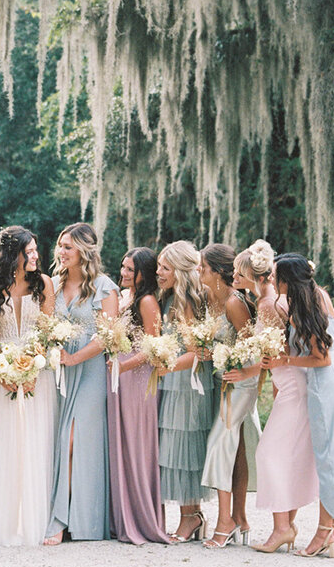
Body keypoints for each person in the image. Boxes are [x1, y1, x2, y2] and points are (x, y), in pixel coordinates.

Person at [268, 254, 334, 558]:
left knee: (327, 459)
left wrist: (284, 360)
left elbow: (320, 357)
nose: (271, 279)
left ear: (287, 279)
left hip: (326, 385)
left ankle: (324, 531)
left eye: (275, 275)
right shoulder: (318, 294)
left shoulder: (302, 307)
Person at [226, 240, 319, 553]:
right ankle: (287, 525)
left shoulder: (267, 305)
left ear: (254, 275)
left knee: (269, 453)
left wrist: (247, 371)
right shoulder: (272, 299)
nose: (234, 277)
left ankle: (281, 528)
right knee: (286, 455)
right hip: (292, 382)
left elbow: (276, 354)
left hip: (292, 384)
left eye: (238, 273)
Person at [0, 225, 56, 546]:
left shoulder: (45, 284)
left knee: (34, 443)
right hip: (1, 373)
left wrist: (32, 367)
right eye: (29, 251)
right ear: (13, 255)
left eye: (36, 250)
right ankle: (3, 522)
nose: (35, 256)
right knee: (5, 444)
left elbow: (47, 331)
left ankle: (34, 520)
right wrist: (4, 369)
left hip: (37, 372)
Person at [44, 222, 118, 545]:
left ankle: (71, 519)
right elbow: (45, 325)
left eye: (68, 247)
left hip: (89, 372)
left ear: (85, 252)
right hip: (60, 372)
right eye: (60, 246)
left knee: (75, 441)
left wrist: (74, 358)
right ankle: (65, 515)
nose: (61, 252)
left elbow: (107, 337)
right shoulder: (54, 286)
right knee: (59, 441)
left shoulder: (104, 288)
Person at [106, 247, 169, 545]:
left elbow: (152, 348)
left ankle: (142, 517)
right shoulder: (124, 296)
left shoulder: (147, 301)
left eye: (131, 269)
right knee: (121, 443)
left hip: (137, 378)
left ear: (144, 271)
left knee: (137, 442)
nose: (124, 272)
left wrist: (123, 365)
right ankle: (122, 516)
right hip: (119, 374)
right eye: (123, 267)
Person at [199, 242, 260, 548]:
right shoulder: (209, 297)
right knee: (234, 447)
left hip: (240, 381)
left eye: (203, 267)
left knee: (220, 442)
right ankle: (239, 518)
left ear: (218, 272)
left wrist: (242, 372)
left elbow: (254, 350)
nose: (199, 271)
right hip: (223, 378)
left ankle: (225, 523)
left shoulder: (235, 303)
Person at [155, 240, 214, 542]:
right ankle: (192, 515)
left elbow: (197, 352)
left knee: (184, 450)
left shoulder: (187, 303)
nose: (159, 272)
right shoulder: (169, 300)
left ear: (180, 270)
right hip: (176, 381)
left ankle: (191, 517)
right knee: (177, 449)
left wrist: (167, 366)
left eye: (165, 267)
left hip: (188, 384)